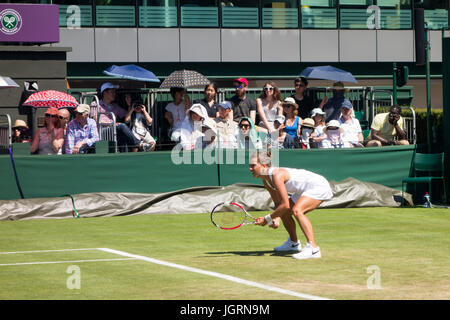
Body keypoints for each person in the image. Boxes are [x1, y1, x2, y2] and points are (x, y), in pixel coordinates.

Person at [250, 151, 333, 260]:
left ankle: (313, 249)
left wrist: (267, 219)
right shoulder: (266, 181)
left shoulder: (276, 175)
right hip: (303, 190)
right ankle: (294, 244)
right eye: (250, 166)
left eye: (253, 166)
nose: (250, 169)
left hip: (318, 186)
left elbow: (285, 205)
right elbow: (279, 204)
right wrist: (276, 219)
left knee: (297, 210)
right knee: (285, 213)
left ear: (264, 165)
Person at [91, 82, 140, 152]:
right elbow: (96, 119)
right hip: (101, 130)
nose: (115, 94)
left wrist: (129, 105)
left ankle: (125, 155)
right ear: (105, 93)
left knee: (122, 131)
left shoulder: (115, 106)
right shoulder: (95, 104)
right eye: (112, 92)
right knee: (122, 126)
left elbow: (126, 116)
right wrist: (112, 124)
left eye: (114, 92)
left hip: (113, 129)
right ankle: (137, 143)